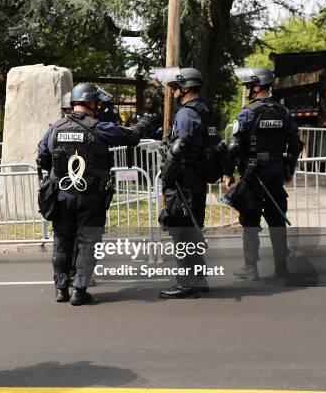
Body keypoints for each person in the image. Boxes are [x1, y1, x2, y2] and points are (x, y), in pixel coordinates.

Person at [37, 83, 156, 305]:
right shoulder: (99, 127)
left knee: (62, 240)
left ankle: (61, 288)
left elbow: (43, 157)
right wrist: (145, 124)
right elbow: (130, 137)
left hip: (61, 195)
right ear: (91, 103)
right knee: (88, 241)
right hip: (90, 196)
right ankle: (79, 291)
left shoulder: (55, 128)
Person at [223, 67, 303, 280]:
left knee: (250, 219)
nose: (246, 90)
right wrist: (289, 169)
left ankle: (251, 269)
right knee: (277, 218)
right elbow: (296, 144)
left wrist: (227, 174)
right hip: (276, 173)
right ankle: (281, 267)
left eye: (248, 86)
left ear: (257, 86)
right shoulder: (283, 112)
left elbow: (233, 147)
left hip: (252, 174)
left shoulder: (247, 113)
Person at [154, 67, 219, 299]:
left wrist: (167, 176)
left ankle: (187, 282)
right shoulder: (206, 110)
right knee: (192, 230)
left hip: (184, 182)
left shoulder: (186, 114)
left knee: (182, 231)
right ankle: (199, 279)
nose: (172, 92)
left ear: (185, 88)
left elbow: (179, 149)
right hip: (197, 180)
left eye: (175, 87)